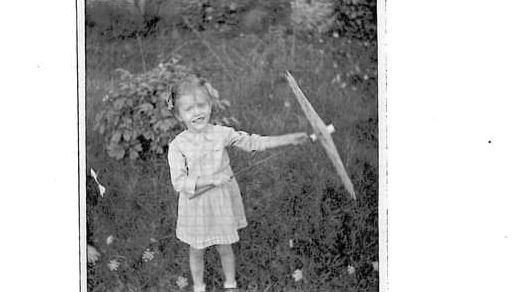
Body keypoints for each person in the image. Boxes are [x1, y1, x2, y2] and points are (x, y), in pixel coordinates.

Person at [167, 74, 308, 292]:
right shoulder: (178, 145)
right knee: (196, 249)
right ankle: (198, 286)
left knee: (225, 245)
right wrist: (211, 179)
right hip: (196, 206)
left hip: (221, 200)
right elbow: (179, 182)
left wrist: (287, 139)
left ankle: (230, 284)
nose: (197, 112)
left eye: (201, 105)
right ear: (178, 115)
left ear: (210, 105)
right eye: (189, 109)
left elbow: (253, 141)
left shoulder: (221, 133)